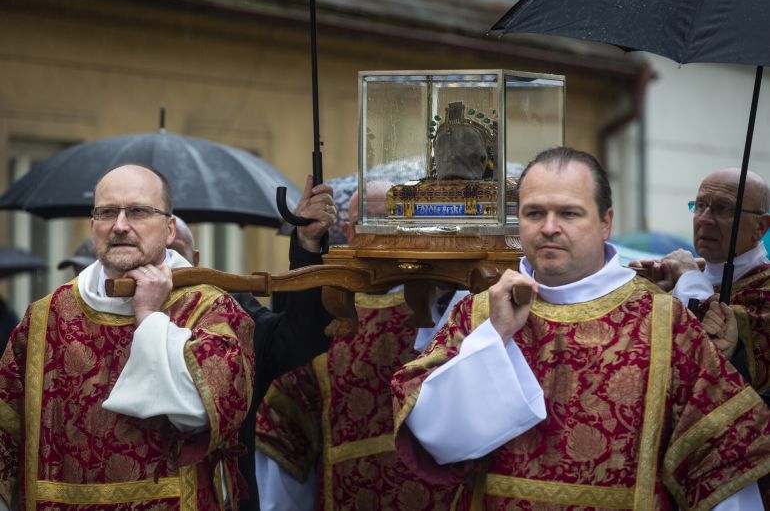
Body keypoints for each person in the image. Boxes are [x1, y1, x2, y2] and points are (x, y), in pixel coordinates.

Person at [391, 147, 770, 510]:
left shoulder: (665, 322)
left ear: (606, 222)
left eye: (569, 214)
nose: (549, 228)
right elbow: (433, 436)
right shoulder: (479, 312)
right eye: (534, 213)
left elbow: (721, 464)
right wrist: (495, 336)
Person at [0, 164, 334, 511]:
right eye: (107, 212)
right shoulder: (45, 317)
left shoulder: (214, 308)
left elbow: (198, 411)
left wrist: (149, 318)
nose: (120, 225)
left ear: (168, 228)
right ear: (93, 225)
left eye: (139, 211)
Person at [253, 183, 467, 510]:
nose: (383, 232)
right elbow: (286, 424)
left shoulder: (449, 302)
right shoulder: (332, 306)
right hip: (348, 492)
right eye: (371, 220)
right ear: (350, 232)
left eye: (392, 220)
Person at [168, 213, 336, 511]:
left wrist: (307, 245)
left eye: (175, 252)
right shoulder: (98, 319)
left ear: (195, 260)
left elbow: (298, 339)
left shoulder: (229, 311)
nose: (166, 265)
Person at [632, 168, 770, 394]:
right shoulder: (686, 275)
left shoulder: (764, 290)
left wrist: (688, 276)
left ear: (760, 227)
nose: (705, 219)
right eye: (700, 206)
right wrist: (662, 292)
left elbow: (712, 349)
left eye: (723, 208)